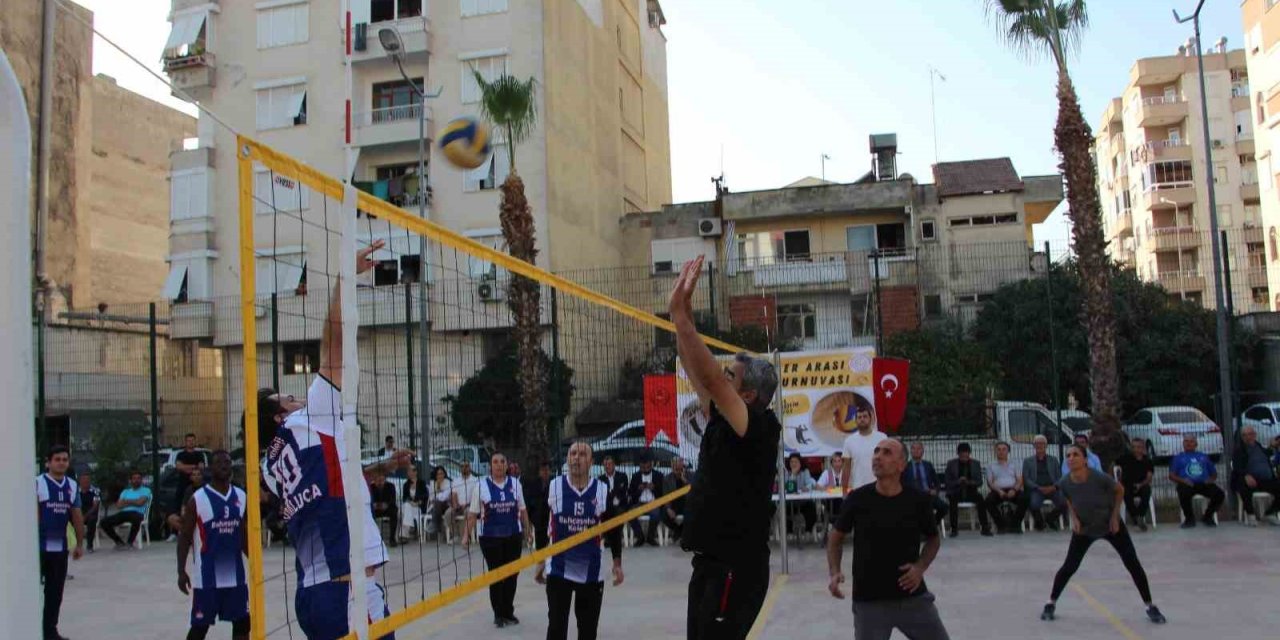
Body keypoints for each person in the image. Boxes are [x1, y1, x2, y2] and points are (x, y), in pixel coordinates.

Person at [259, 239, 409, 640]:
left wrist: (381, 466)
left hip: (312, 592)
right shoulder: (311, 417)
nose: (296, 397)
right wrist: (345, 279)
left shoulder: (270, 464)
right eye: (287, 398)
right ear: (279, 416)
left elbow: (330, 478)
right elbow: (333, 348)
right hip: (347, 591)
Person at [670, 256, 781, 640]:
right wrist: (681, 313)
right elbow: (695, 370)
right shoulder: (724, 417)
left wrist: (682, 318)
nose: (723, 375)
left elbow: (714, 381)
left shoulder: (760, 427)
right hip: (710, 564)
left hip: (737, 568)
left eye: (732, 375)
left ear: (748, 395)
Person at [827, 439, 950, 640]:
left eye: (887, 453)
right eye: (876, 451)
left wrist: (920, 567)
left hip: (912, 597)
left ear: (901, 465)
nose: (877, 457)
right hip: (869, 601)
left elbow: (933, 539)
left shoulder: (918, 500)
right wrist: (834, 571)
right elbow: (835, 538)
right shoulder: (858, 499)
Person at [1041, 445, 1166, 625]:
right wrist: (1074, 518)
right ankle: (1050, 603)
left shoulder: (1098, 477)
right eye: (1068, 455)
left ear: (1085, 460)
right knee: (1069, 567)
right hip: (1085, 528)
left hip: (1110, 525)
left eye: (1075, 454)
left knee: (1132, 562)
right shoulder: (1065, 481)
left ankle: (1150, 606)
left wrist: (1115, 517)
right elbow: (1067, 496)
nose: (1071, 458)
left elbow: (1120, 490)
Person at [536, 442, 624, 640]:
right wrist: (540, 560)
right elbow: (541, 525)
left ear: (591, 462)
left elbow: (613, 529)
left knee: (588, 630)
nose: (577, 457)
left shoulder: (602, 490)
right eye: (573, 453)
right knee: (556, 628)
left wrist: (617, 562)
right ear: (567, 459)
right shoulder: (554, 487)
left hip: (592, 571)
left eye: (583, 454)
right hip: (558, 568)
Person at [177, 450, 250, 640]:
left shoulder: (241, 496)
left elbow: (242, 534)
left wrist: (256, 563)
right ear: (210, 468)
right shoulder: (198, 499)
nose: (224, 465)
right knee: (200, 627)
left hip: (236, 577)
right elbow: (184, 537)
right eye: (219, 463)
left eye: (227, 462)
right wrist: (181, 571)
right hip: (207, 578)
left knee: (243, 624)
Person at [464, 452, 534, 628]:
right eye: (495, 462)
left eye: (502, 461)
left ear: (506, 465)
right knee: (496, 575)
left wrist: (527, 530)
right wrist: (466, 535)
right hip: (490, 538)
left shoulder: (515, 484)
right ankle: (498, 613)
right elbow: (472, 514)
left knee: (512, 574)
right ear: (490, 466)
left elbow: (522, 510)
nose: (499, 465)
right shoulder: (481, 486)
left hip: (513, 536)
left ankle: (508, 611)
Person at [36, 445, 86, 640]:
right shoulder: (38, 483)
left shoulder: (72, 485)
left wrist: (79, 544)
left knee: (55, 592)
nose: (61, 463)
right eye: (57, 459)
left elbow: (77, 515)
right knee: (28, 589)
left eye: (65, 459)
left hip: (58, 546)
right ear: (48, 462)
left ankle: (50, 632)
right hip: (36, 547)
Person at [1169, 434, 1225, 528]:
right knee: (1183, 492)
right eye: (1186, 441)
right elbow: (1171, 476)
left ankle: (1207, 516)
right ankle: (1189, 519)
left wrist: (1210, 480)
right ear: (1183, 444)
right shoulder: (1178, 458)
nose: (1188, 444)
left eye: (1191, 441)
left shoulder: (1203, 456)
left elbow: (1214, 474)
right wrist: (1183, 480)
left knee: (1220, 494)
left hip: (1203, 484)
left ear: (1196, 444)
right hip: (1187, 484)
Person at [1232, 426, 1280, 524]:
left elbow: (1269, 453)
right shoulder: (1239, 450)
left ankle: (1270, 513)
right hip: (1251, 480)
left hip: (1266, 480)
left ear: (1254, 435)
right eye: (1244, 435)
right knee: (1243, 483)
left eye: (1250, 434)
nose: (1247, 437)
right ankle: (1250, 515)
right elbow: (1237, 467)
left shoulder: (1259, 447)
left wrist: (1272, 446)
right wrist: (1246, 475)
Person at [944, 443, 990, 537]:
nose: (964, 458)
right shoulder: (951, 464)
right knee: (952, 501)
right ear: (958, 454)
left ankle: (985, 527)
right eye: (962, 456)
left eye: (966, 456)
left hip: (971, 491)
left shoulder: (975, 464)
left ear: (969, 454)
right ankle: (954, 529)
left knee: (981, 500)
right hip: (956, 491)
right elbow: (947, 482)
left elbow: (979, 482)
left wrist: (968, 482)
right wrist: (958, 481)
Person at [1022, 436, 1066, 532]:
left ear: (1046, 446)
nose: (1039, 445)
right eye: (1037, 443)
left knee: (1065, 502)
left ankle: (1050, 519)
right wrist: (1038, 487)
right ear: (1034, 446)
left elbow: (1060, 477)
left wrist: (1054, 487)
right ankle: (1040, 523)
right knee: (1033, 504)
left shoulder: (1054, 460)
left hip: (1052, 488)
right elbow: (1026, 479)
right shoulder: (1027, 461)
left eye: (1042, 443)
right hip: (1037, 489)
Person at [100, 470, 153, 548]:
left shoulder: (146, 490)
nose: (136, 480)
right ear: (130, 480)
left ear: (141, 480)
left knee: (136, 519)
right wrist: (134, 501)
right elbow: (119, 505)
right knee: (103, 522)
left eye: (138, 478)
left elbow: (140, 503)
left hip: (138, 513)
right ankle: (119, 542)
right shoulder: (125, 491)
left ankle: (130, 542)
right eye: (134, 478)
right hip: (124, 513)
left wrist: (126, 501)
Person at [841, 406, 887, 492]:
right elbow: (846, 468)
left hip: (879, 488)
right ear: (855, 421)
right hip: (858, 488)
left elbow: (888, 463)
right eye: (859, 417)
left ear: (871, 419)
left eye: (865, 416)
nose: (862, 419)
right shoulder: (849, 441)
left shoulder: (882, 438)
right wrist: (844, 492)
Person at [984, 442, 1026, 534]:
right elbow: (990, 482)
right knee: (988, 501)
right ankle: (1001, 525)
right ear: (995, 451)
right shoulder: (991, 465)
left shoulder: (1015, 464)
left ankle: (1015, 525)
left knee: (1024, 498)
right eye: (999, 449)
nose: (1001, 452)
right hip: (998, 490)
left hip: (1013, 489)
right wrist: (999, 491)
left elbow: (1020, 480)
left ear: (1008, 451)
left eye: (1004, 449)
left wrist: (1014, 490)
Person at [902, 442, 947, 526]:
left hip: (928, 495)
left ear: (923, 451)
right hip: (913, 496)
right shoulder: (905, 466)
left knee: (944, 507)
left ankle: (931, 526)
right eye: (913, 448)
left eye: (918, 448)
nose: (916, 451)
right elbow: (902, 483)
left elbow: (937, 482)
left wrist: (935, 490)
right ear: (910, 451)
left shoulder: (928, 465)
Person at [1115, 439, 1155, 531]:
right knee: (1124, 491)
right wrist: (1117, 478)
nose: (1135, 449)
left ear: (1143, 448)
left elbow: (1149, 478)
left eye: (1138, 447)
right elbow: (1114, 465)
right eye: (1133, 447)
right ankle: (1136, 517)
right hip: (1127, 485)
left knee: (1147, 490)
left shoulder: (1148, 461)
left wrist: (1140, 485)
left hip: (1141, 485)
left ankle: (1140, 515)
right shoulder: (1125, 458)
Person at [627, 455, 665, 546]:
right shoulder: (635, 476)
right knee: (630, 514)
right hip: (640, 503)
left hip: (654, 503)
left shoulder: (658, 475)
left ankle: (650, 537)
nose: (645, 469)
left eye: (647, 467)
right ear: (640, 467)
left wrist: (654, 489)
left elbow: (663, 494)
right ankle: (640, 537)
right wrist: (639, 490)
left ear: (651, 465)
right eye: (643, 468)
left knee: (656, 513)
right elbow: (631, 494)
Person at [168, 467, 205, 539]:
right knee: (171, 518)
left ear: (202, 476)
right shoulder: (189, 489)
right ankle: (189, 534)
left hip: (202, 515)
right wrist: (183, 514)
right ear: (191, 477)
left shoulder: (206, 488)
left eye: (198, 474)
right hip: (190, 515)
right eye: (194, 475)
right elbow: (184, 505)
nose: (196, 477)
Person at [785, 453, 818, 534]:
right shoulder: (786, 472)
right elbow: (787, 487)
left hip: (803, 501)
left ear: (800, 463)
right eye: (792, 462)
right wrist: (793, 474)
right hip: (790, 502)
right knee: (784, 510)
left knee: (811, 508)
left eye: (796, 462)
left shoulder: (805, 471)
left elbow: (810, 483)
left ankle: (808, 531)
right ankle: (789, 532)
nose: (793, 464)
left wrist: (807, 488)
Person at [524, 461, 553, 550]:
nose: (545, 472)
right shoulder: (533, 485)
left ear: (550, 471)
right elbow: (528, 502)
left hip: (549, 520)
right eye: (543, 470)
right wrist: (529, 519)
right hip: (537, 521)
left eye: (547, 470)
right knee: (540, 548)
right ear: (540, 472)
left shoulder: (553, 484)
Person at [663, 457, 692, 538]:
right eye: (675, 468)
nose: (677, 470)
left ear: (683, 466)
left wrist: (685, 481)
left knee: (693, 512)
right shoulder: (667, 479)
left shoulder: (691, 475)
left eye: (679, 468)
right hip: (674, 504)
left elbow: (694, 492)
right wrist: (668, 509)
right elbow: (665, 496)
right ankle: (679, 530)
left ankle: (680, 532)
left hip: (687, 503)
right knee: (664, 514)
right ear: (672, 467)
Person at [368, 471, 399, 547]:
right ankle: (373, 539)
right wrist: (374, 505)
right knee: (368, 514)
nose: (380, 482)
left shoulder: (390, 486)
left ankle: (392, 539)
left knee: (394, 512)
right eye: (378, 480)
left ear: (385, 479)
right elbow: (369, 500)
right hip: (376, 510)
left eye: (382, 480)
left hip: (387, 509)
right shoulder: (371, 487)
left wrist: (386, 504)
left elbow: (392, 499)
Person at [398, 465, 428, 542]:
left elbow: (425, 496)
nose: (410, 473)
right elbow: (404, 498)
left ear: (416, 472)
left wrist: (418, 503)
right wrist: (410, 502)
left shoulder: (421, 483)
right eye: (408, 471)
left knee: (405, 510)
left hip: (418, 507)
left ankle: (404, 535)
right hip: (409, 506)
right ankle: (406, 533)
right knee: (406, 506)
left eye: (411, 471)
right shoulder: (406, 484)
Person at [77, 471, 102, 553]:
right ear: (80, 481)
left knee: (92, 520)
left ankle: (89, 545)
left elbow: (95, 506)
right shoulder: (75, 491)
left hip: (90, 513)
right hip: (78, 513)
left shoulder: (96, 491)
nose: (85, 481)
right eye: (83, 479)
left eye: (87, 479)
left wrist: (84, 517)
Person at [426, 466, 452, 540]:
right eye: (438, 474)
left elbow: (444, 497)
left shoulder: (448, 483)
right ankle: (437, 525)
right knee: (437, 504)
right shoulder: (432, 483)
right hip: (434, 507)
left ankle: (435, 524)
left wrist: (437, 493)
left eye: (441, 473)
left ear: (444, 474)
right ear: (435, 475)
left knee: (438, 502)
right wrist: (438, 488)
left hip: (445, 506)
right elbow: (431, 498)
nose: (440, 476)